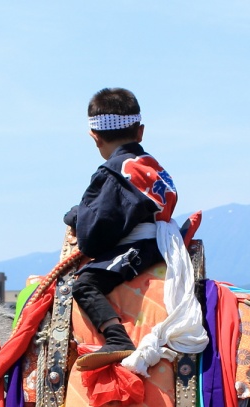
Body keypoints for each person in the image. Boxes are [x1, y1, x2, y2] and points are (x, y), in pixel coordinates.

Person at [64, 87, 178, 369]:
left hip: (139, 247)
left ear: (95, 137)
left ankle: (117, 338)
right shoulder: (152, 167)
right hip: (160, 242)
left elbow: (92, 239)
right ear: (140, 132)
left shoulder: (112, 174)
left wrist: (74, 217)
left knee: (85, 285)